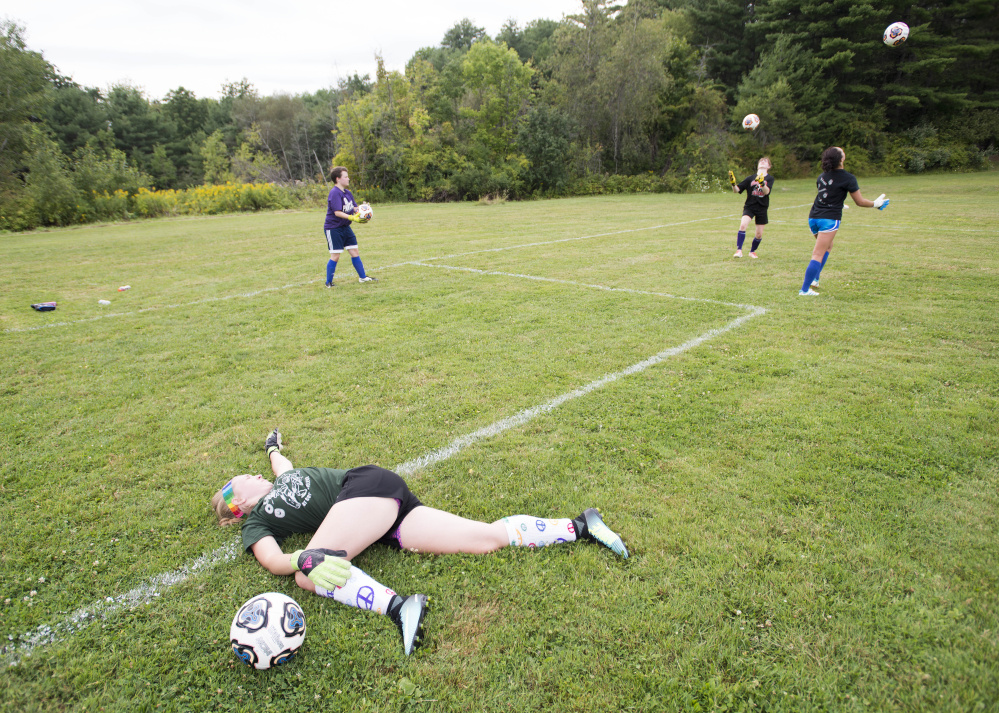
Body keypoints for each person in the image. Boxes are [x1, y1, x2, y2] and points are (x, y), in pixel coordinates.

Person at [211, 429, 629, 656]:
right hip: (387, 513)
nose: (255, 474)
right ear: (240, 501)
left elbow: (279, 462)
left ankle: (399, 607)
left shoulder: (281, 478)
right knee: (484, 539)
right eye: (244, 480)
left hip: (364, 485)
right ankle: (580, 526)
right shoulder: (258, 520)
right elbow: (271, 560)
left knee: (310, 577)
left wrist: (272, 448)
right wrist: (301, 556)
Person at [799, 147, 888, 296]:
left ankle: (815, 280)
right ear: (841, 159)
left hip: (813, 217)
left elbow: (828, 195)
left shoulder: (821, 176)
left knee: (827, 247)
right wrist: (875, 204)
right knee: (818, 254)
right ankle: (805, 289)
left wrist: (839, 203)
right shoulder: (848, 178)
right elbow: (859, 202)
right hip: (829, 220)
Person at [323, 166, 377, 287]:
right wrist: (352, 218)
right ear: (338, 179)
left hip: (345, 227)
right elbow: (337, 212)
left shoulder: (348, 193)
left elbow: (353, 208)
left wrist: (364, 210)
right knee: (335, 256)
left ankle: (363, 277)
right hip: (333, 228)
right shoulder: (334, 193)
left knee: (354, 251)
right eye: (346, 177)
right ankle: (328, 283)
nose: (348, 179)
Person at [728, 157, 774, 258]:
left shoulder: (770, 179)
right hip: (750, 206)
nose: (762, 161)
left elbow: (766, 192)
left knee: (759, 235)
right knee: (743, 225)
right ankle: (739, 250)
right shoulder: (750, 178)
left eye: (765, 161)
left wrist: (762, 182)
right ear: (758, 165)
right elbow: (737, 190)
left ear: (769, 166)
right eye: (761, 161)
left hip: (762, 208)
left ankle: (752, 251)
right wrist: (733, 183)